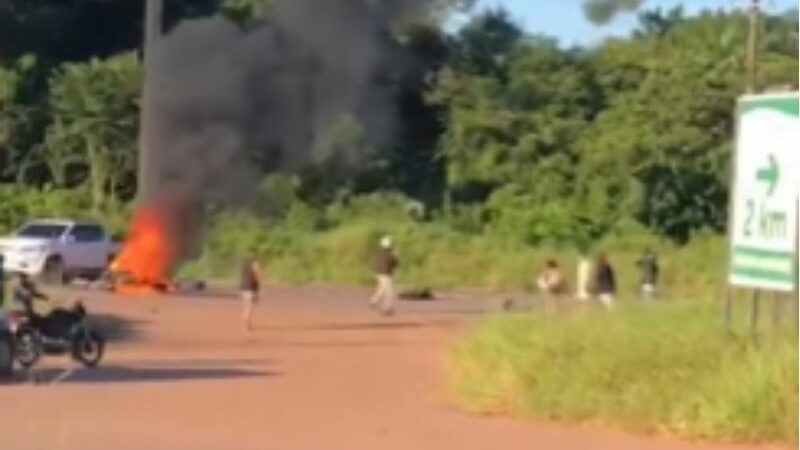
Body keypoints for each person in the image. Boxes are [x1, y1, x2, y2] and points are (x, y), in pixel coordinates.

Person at [369, 236, 398, 316]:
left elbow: (375, 263)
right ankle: (387, 308)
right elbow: (394, 263)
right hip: (386, 274)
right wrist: (395, 256)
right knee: (389, 292)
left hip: (379, 273)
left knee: (382, 289)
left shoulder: (379, 253)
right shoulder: (389, 254)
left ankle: (373, 301)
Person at [240, 252, 262, 331]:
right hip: (251, 286)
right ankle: (247, 323)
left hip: (244, 286)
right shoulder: (254, 262)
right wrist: (259, 282)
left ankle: (246, 322)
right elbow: (257, 272)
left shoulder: (244, 262)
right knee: (250, 306)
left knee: (246, 305)